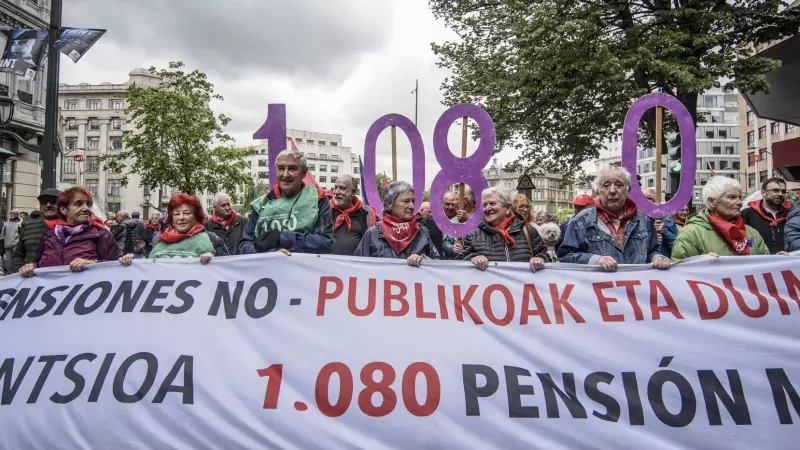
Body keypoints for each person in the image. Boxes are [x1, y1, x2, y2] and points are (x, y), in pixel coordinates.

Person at [558, 168, 670, 271]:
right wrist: (595, 260)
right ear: (598, 191)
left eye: (619, 185)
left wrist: (658, 257)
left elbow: (653, 251)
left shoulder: (644, 221)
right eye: (606, 185)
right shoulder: (580, 221)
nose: (612, 190)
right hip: (598, 291)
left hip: (635, 290)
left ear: (628, 190)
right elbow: (566, 255)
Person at [19, 187, 133, 276]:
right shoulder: (49, 235)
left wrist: (93, 263)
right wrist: (30, 267)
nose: (86, 208)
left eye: (88, 204)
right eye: (79, 204)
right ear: (64, 210)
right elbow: (36, 263)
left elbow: (116, 267)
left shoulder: (101, 234)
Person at [239, 150, 334, 255]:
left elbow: (326, 243)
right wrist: (270, 253)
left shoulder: (318, 200)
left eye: (292, 169)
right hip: (266, 269)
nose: (285, 174)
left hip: (303, 269)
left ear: (304, 173)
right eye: (281, 168)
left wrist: (282, 238)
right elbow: (245, 245)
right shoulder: (261, 204)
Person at [672, 176, 770, 260]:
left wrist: (776, 261)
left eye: (740, 197)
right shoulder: (691, 233)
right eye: (732, 197)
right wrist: (700, 262)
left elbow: (764, 267)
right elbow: (680, 271)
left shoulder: (752, 233)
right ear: (712, 202)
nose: (740, 202)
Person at [458, 187, 549, 272]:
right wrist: (472, 258)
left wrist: (540, 258)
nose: (487, 208)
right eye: (485, 205)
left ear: (508, 207)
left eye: (492, 204)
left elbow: (546, 256)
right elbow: (458, 263)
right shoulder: (474, 233)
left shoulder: (528, 231)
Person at [355, 181, 439, 265]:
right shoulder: (373, 234)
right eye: (406, 201)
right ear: (389, 204)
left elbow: (438, 264)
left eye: (413, 201)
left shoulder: (422, 232)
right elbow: (357, 267)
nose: (412, 206)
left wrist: (424, 260)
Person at [150, 194, 227, 261]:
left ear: (196, 217)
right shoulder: (160, 240)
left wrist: (215, 260)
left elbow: (226, 269)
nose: (181, 217)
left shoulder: (212, 240)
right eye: (176, 214)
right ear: (172, 218)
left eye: (186, 213)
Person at [10, 189, 60, 274]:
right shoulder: (28, 225)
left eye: (53, 201)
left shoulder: (72, 227)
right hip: (30, 282)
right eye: (44, 202)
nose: (48, 205)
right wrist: (18, 271)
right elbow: (18, 255)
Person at [741, 177, 791, 254]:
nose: (780, 194)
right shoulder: (746, 215)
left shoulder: (790, 215)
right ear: (763, 192)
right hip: (760, 263)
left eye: (783, 191)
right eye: (775, 190)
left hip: (788, 262)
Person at [329, 175, 377, 255]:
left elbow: (372, 242)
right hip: (327, 264)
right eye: (335, 187)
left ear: (353, 192)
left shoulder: (367, 213)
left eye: (342, 188)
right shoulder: (325, 210)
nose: (336, 192)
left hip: (355, 265)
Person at [643, 187, 678, 258]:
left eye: (643, 199)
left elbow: (677, 248)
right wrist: (653, 240)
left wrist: (665, 232)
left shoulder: (668, 222)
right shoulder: (637, 221)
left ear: (653, 201)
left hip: (665, 264)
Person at [443, 187, 477, 258]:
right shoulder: (453, 220)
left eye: (457, 199)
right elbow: (446, 242)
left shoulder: (479, 218)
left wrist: (468, 222)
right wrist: (452, 248)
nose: (454, 203)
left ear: (465, 200)